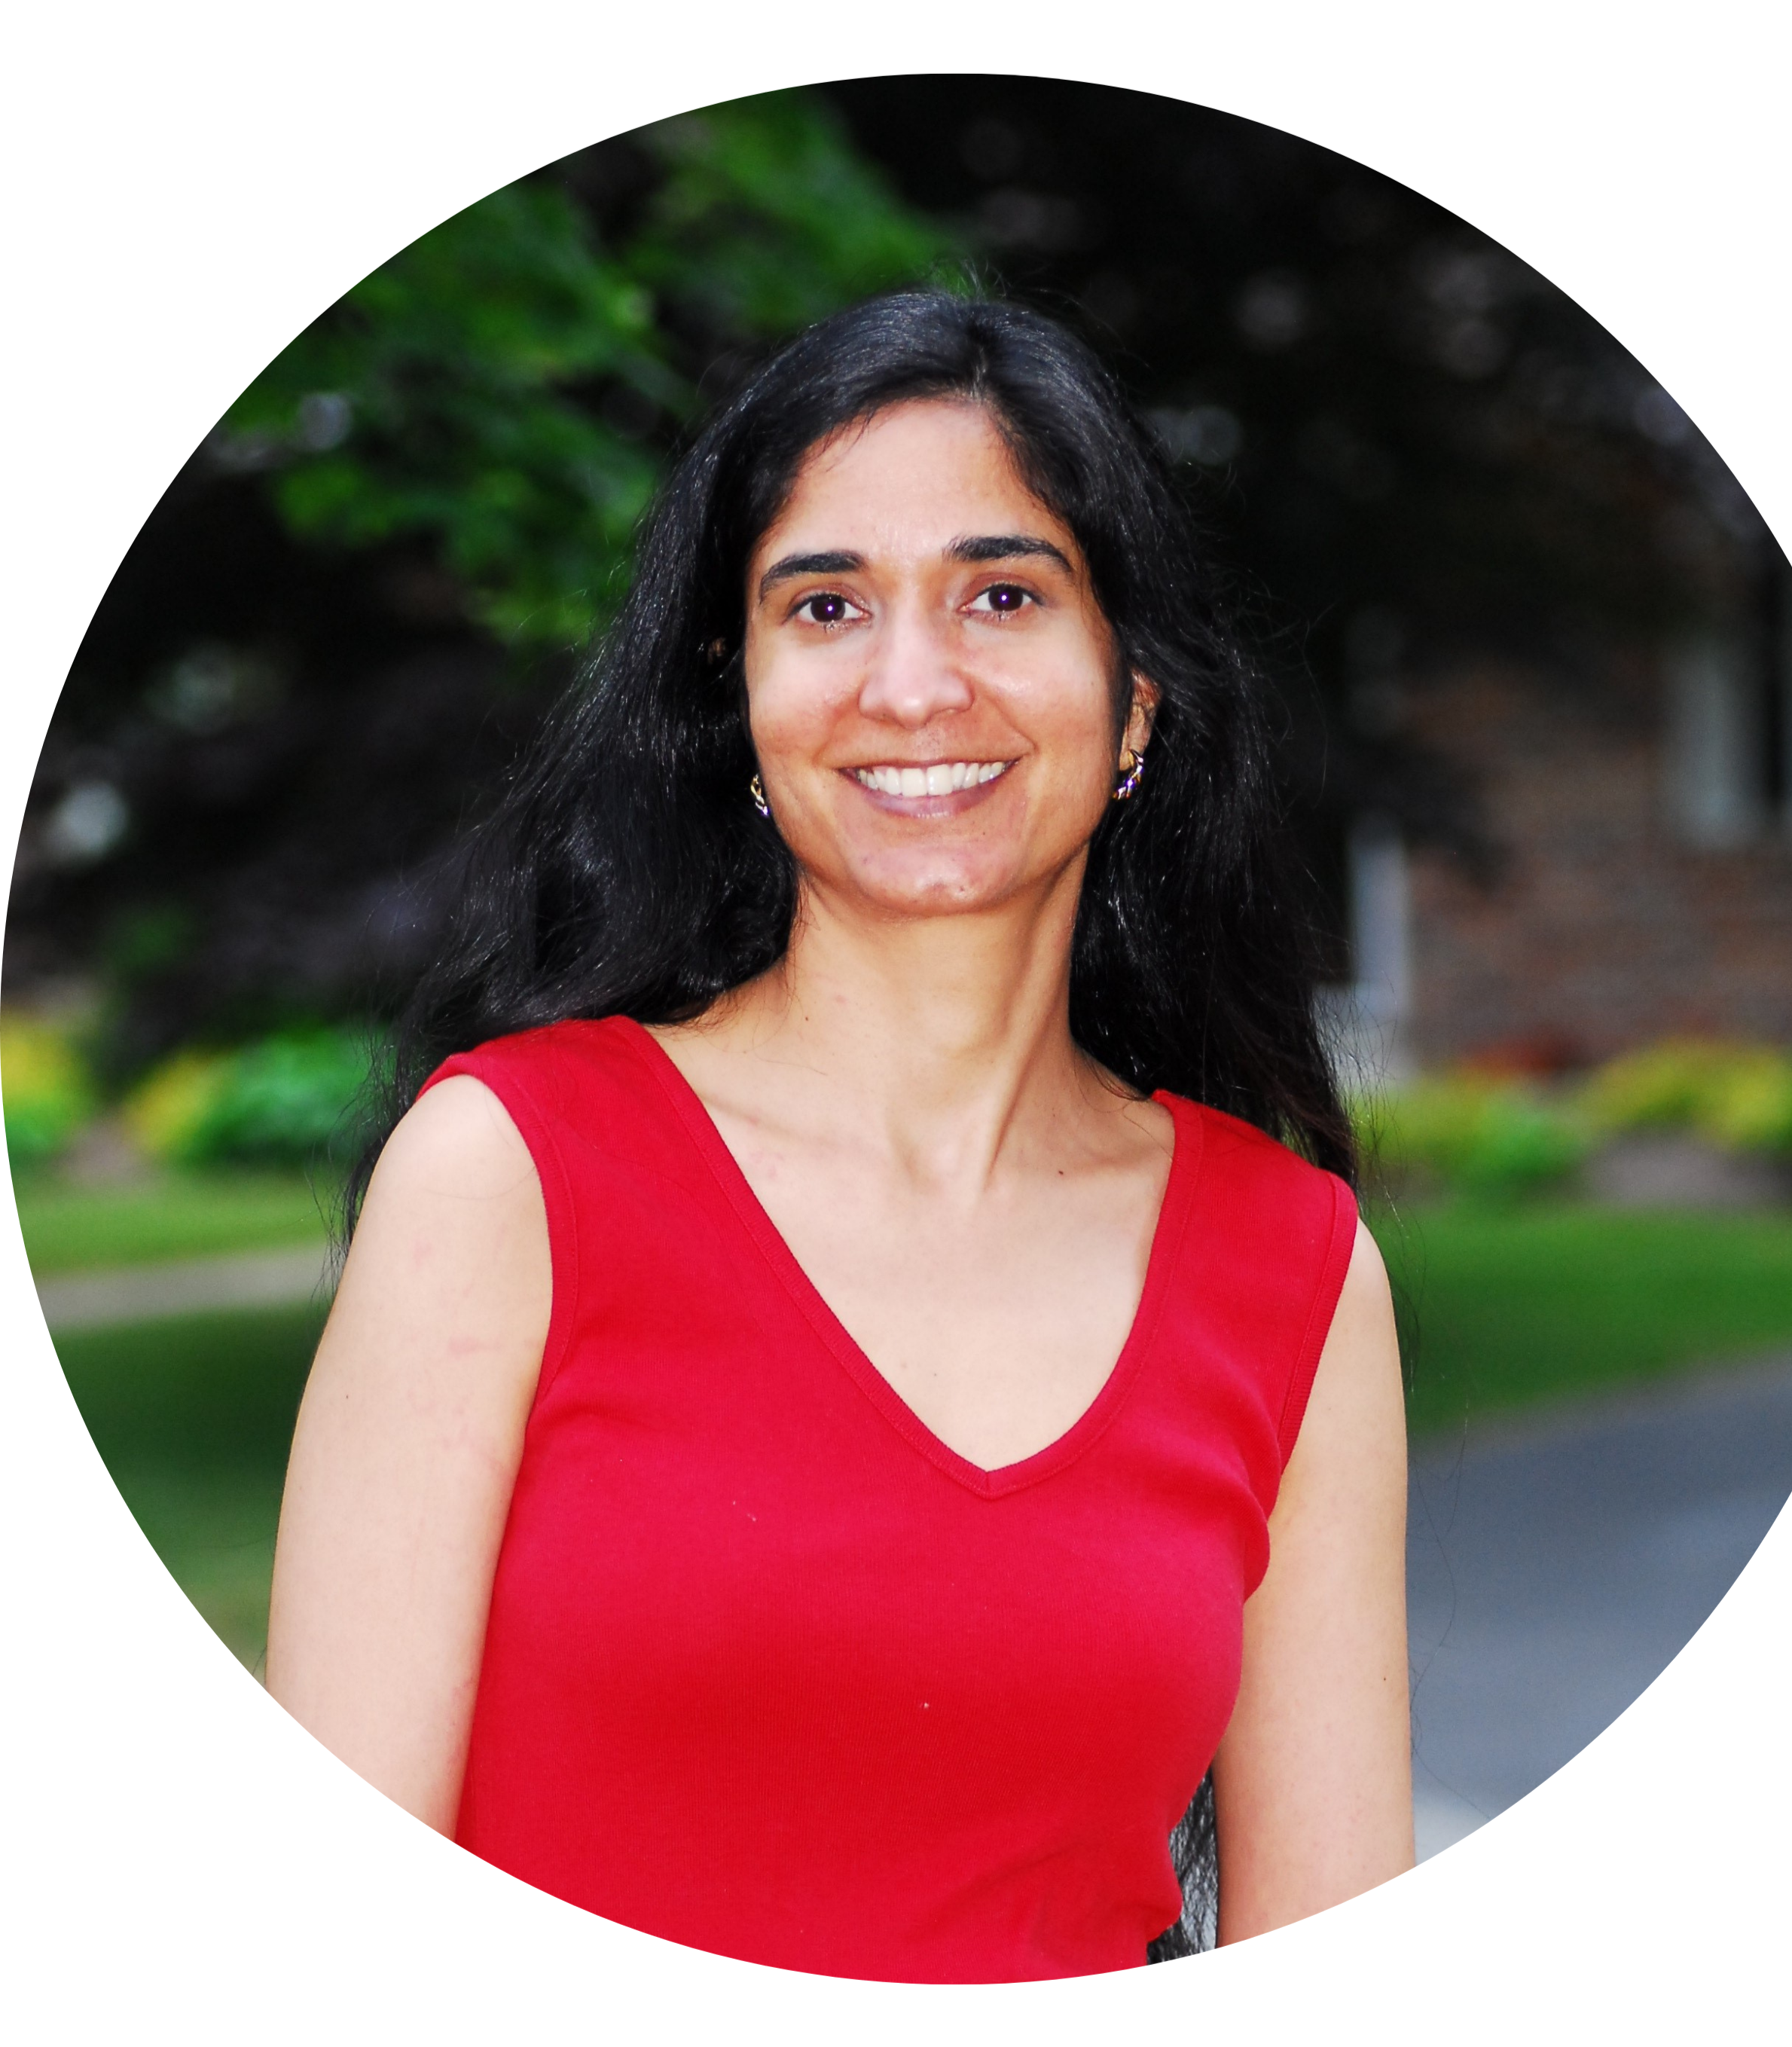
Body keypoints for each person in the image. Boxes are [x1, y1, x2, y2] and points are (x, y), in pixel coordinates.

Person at [266, 290, 1412, 1982]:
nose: (913, 684)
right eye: (827, 604)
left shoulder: (1295, 1269)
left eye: (1003, 593)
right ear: (744, 700)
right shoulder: (511, 1172)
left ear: (1136, 700)